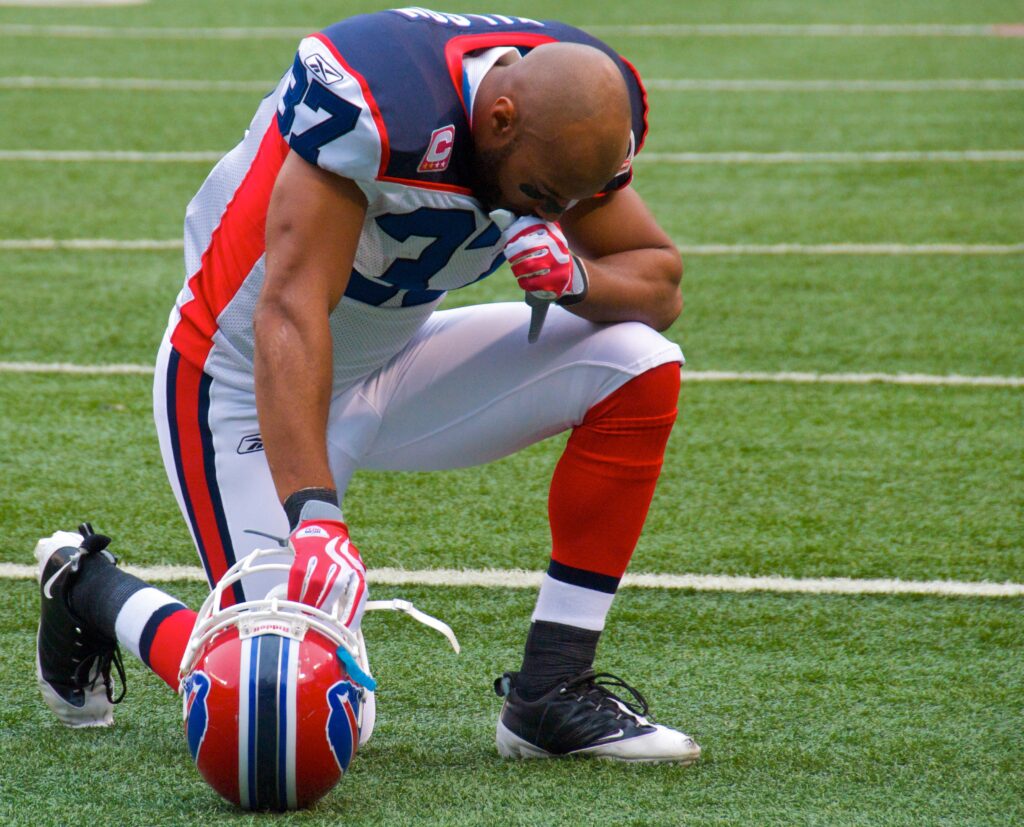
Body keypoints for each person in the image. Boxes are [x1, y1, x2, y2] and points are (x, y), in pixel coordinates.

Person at [35, 7, 699, 770]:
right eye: (543, 194)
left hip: (394, 359)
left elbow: (658, 279)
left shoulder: (577, 111)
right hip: (242, 383)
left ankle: (551, 691)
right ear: (501, 120)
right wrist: (313, 513)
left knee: (639, 363)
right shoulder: (377, 99)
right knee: (289, 704)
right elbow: (289, 308)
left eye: (568, 205)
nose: (552, 215)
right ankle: (87, 587)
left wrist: (580, 277)